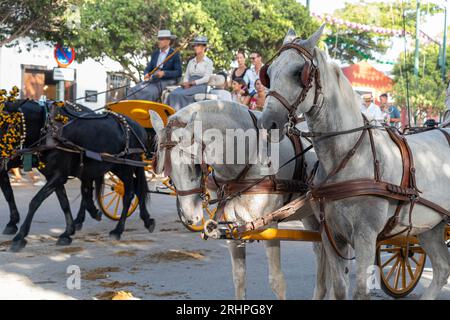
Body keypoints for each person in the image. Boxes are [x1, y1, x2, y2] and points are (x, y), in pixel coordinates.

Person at [127, 30, 182, 102]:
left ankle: (146, 112)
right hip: (153, 80)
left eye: (161, 39)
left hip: (166, 81)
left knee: (149, 92)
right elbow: (148, 68)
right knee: (132, 90)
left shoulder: (174, 54)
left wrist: (164, 73)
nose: (159, 41)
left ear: (168, 41)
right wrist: (146, 74)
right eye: (159, 39)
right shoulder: (155, 53)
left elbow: (178, 72)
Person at [167, 36, 213, 110]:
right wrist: (186, 83)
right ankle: (170, 117)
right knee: (172, 94)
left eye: (198, 45)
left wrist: (192, 83)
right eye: (195, 45)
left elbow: (206, 78)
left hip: (200, 85)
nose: (195, 47)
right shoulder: (191, 61)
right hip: (188, 84)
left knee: (180, 94)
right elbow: (186, 75)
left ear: (204, 47)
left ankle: (179, 117)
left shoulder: (208, 62)